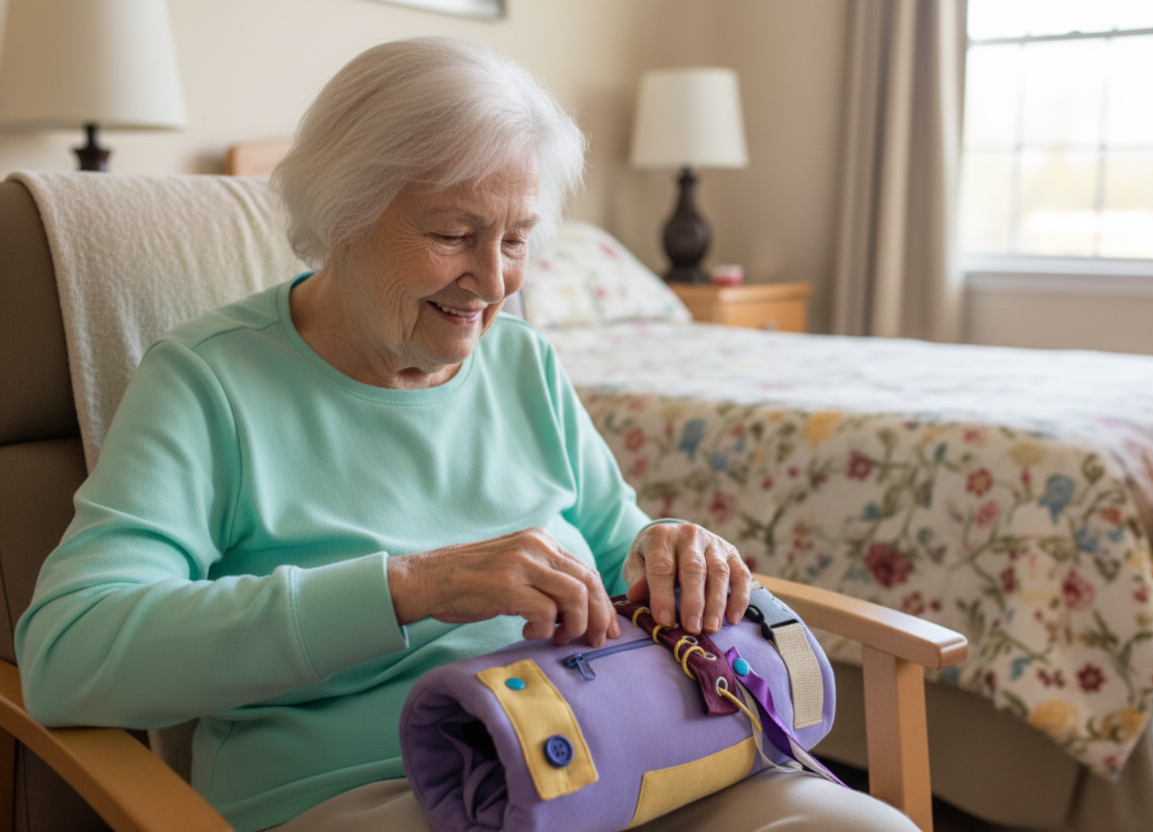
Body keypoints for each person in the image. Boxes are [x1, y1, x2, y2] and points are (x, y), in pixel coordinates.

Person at [15, 37, 918, 832]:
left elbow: (614, 546)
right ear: (342, 215)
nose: (492, 282)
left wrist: (669, 549)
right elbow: (69, 652)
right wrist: (414, 588)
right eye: (453, 233)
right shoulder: (210, 383)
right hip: (365, 789)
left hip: (604, 760)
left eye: (518, 239)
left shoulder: (524, 364)